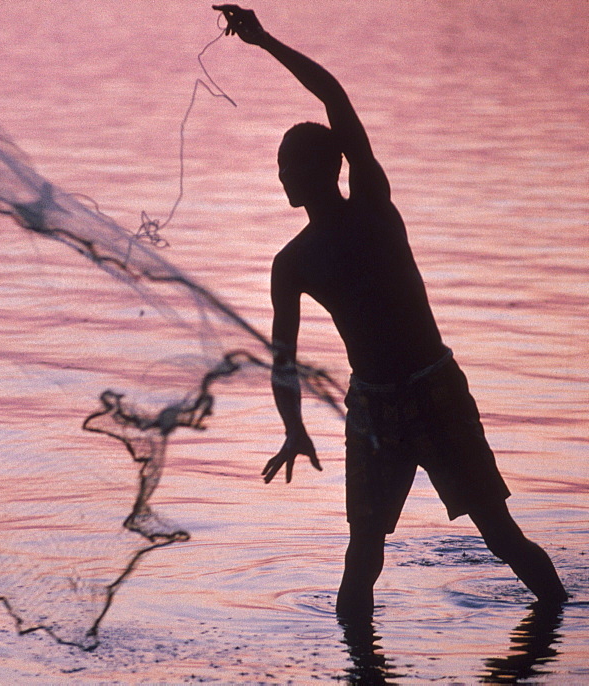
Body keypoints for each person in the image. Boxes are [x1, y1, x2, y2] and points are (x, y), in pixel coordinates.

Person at [212, 4, 568, 618]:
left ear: (325, 169)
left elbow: (333, 94)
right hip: (374, 408)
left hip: (435, 390)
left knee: (500, 534)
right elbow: (283, 361)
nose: (281, 179)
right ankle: (360, 665)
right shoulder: (291, 263)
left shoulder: (372, 203)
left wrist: (263, 40)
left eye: (289, 167)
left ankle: (561, 622)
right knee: (361, 556)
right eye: (278, 169)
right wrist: (293, 428)